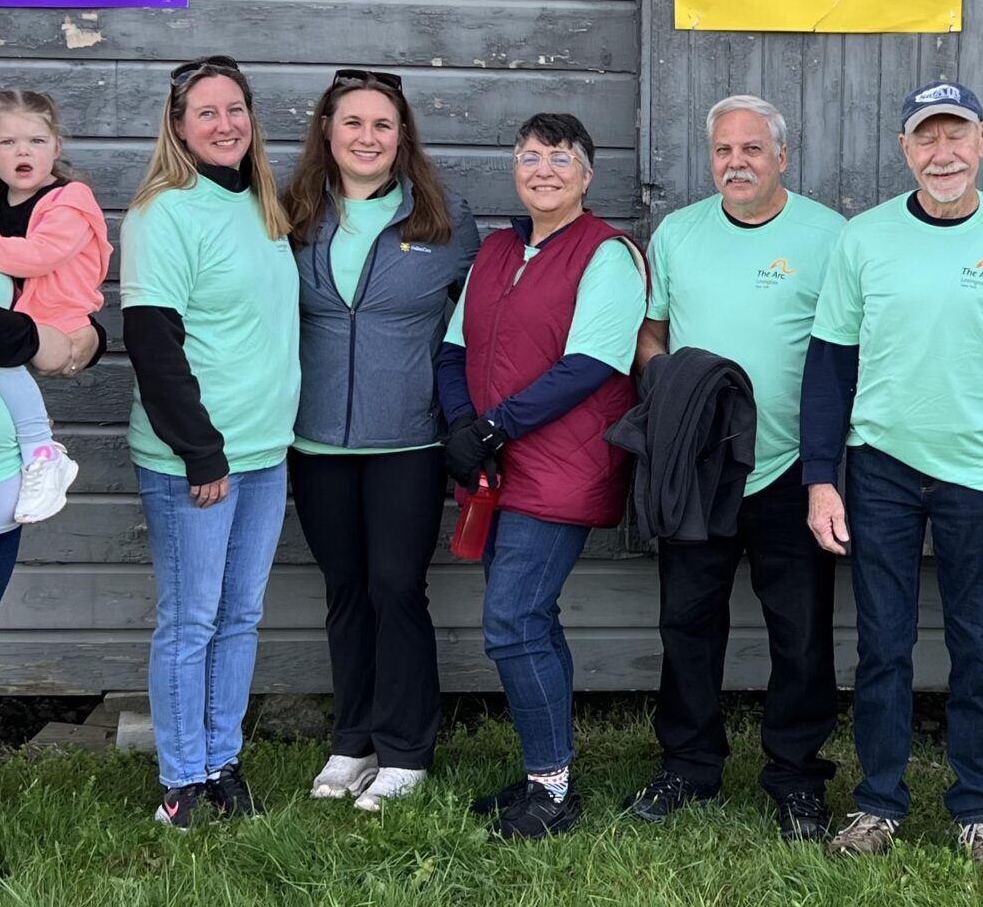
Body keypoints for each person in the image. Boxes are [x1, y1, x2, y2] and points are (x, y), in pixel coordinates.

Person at [804, 80, 983, 863]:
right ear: (906, 149)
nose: (942, 153)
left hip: (981, 477)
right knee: (881, 645)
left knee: (979, 647)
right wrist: (823, 476)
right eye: (927, 138)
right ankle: (878, 804)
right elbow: (828, 366)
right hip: (880, 468)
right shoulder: (865, 239)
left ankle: (979, 808)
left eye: (957, 136)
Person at [625, 95, 845, 840]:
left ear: (782, 156)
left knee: (803, 631)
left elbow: (852, 347)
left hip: (792, 468)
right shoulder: (678, 235)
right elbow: (649, 334)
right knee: (686, 621)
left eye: (752, 149)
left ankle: (796, 777)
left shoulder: (828, 236)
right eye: (723, 150)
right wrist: (671, 389)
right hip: (698, 466)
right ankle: (688, 766)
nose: (736, 163)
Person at [437, 112, 645, 839]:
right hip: (496, 467)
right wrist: (465, 426)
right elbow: (451, 348)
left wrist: (494, 427)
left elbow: (593, 364)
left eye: (561, 157)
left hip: (561, 468)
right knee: (527, 619)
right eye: (530, 156)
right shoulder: (497, 250)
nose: (544, 169)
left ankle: (553, 793)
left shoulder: (609, 254)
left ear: (587, 175)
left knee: (512, 620)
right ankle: (544, 776)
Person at [284, 70, 478, 811]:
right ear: (327, 132)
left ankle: (405, 750)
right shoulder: (293, 211)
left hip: (408, 442)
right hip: (316, 440)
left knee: (397, 588)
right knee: (345, 592)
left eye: (383, 125)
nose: (368, 137)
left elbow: (480, 319)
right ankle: (352, 740)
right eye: (354, 123)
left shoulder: (444, 217)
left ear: (403, 138)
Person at [121, 55, 299, 830]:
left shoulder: (264, 205)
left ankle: (223, 763)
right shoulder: (165, 212)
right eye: (206, 112)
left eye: (236, 109)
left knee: (240, 616)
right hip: (198, 457)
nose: (224, 124)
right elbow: (152, 343)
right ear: (179, 125)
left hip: (265, 451)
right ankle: (181, 782)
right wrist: (202, 452)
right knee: (191, 619)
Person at [0, 90, 111, 523]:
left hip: (60, 310)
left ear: (56, 148)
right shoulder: (3, 197)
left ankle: (42, 451)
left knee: (6, 358)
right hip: (28, 311)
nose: (22, 151)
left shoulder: (70, 200)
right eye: (7, 143)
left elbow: (40, 255)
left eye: (36, 141)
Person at [0, 301, 102, 606]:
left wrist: (90, 336)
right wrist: (39, 340)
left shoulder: (11, 255)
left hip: (7, 478)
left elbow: (55, 299)